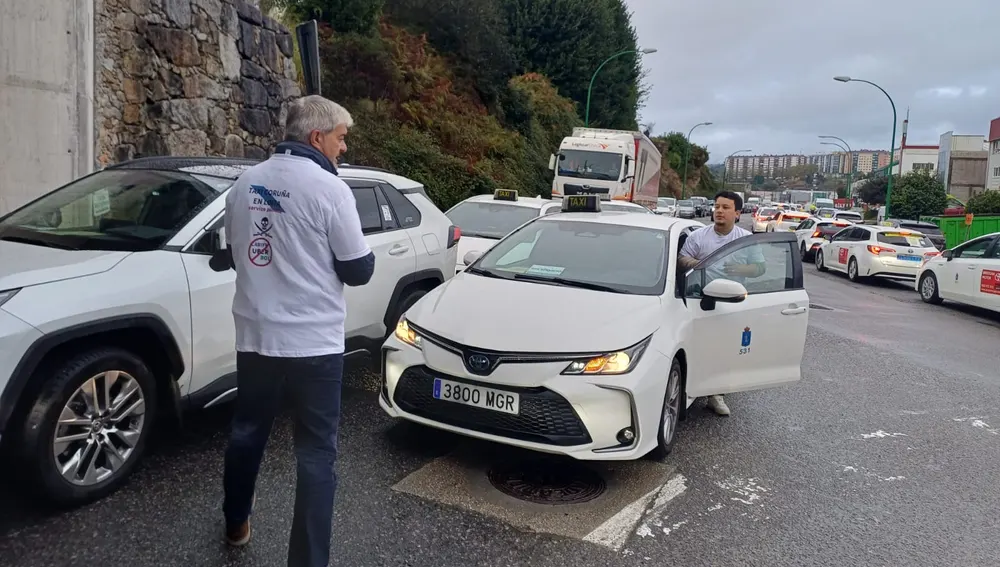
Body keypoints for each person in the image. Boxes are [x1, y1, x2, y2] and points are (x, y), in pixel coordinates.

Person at [221, 95, 375, 567]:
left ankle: (236, 524)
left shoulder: (244, 183)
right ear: (317, 137)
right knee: (315, 452)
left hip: (257, 336)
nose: (343, 147)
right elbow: (357, 270)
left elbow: (235, 253)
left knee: (247, 432)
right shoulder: (330, 190)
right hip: (314, 343)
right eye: (341, 137)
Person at [678, 190, 765, 416]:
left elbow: (760, 268)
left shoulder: (745, 239)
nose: (719, 211)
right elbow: (681, 259)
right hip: (700, 299)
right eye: (717, 207)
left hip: (732, 301)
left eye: (725, 208)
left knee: (725, 348)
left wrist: (741, 269)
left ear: (737, 213)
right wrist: (699, 263)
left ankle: (716, 394)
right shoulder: (698, 236)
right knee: (697, 345)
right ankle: (689, 388)